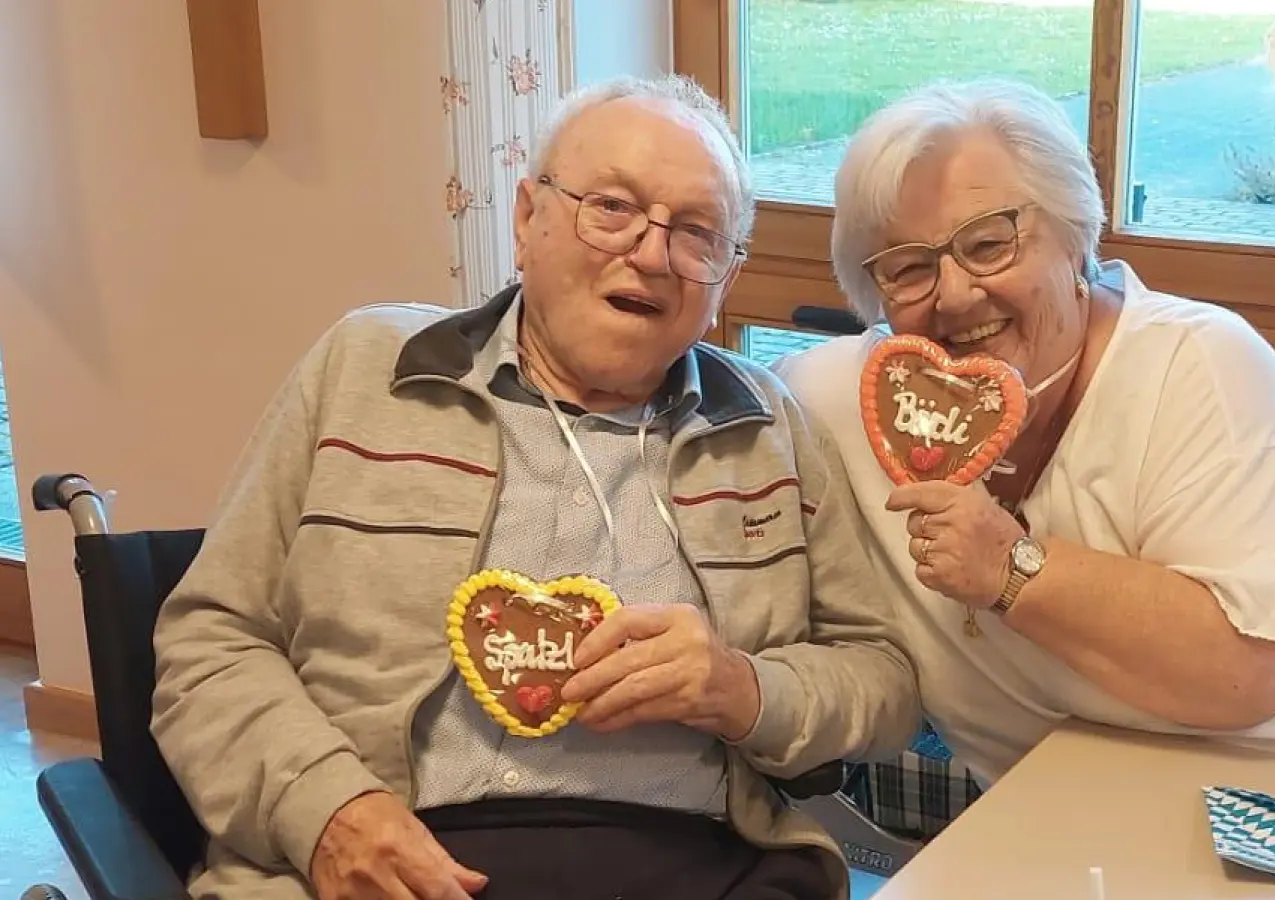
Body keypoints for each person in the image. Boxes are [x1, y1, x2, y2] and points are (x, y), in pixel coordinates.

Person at [150, 74, 919, 900]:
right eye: (612, 208)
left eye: (697, 234)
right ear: (527, 219)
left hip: (697, 859)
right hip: (391, 858)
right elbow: (210, 644)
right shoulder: (365, 372)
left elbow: (882, 679)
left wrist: (742, 687)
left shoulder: (771, 430)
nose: (653, 255)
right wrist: (327, 810)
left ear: (725, 279)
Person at [772, 78, 1275, 796]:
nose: (959, 293)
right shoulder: (854, 401)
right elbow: (696, 392)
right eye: (908, 269)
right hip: (1094, 827)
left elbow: (1267, 668)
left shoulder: (1201, 366)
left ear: (1074, 240)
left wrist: (1009, 566)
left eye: (991, 243)